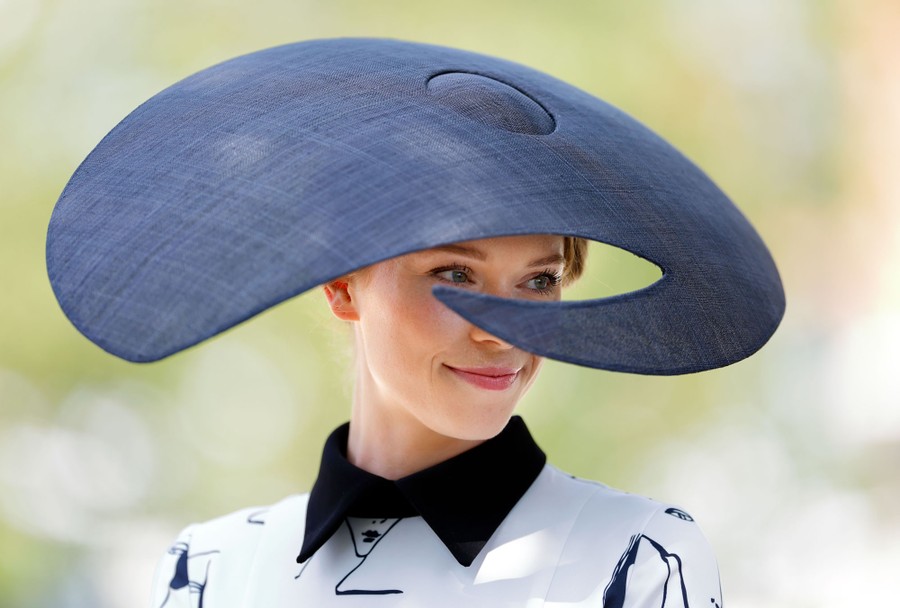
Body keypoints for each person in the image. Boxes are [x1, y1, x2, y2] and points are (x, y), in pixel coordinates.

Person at [45, 38, 784, 607]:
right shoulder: (209, 571)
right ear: (341, 285)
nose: (503, 331)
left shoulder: (636, 557)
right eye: (454, 276)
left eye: (540, 281)